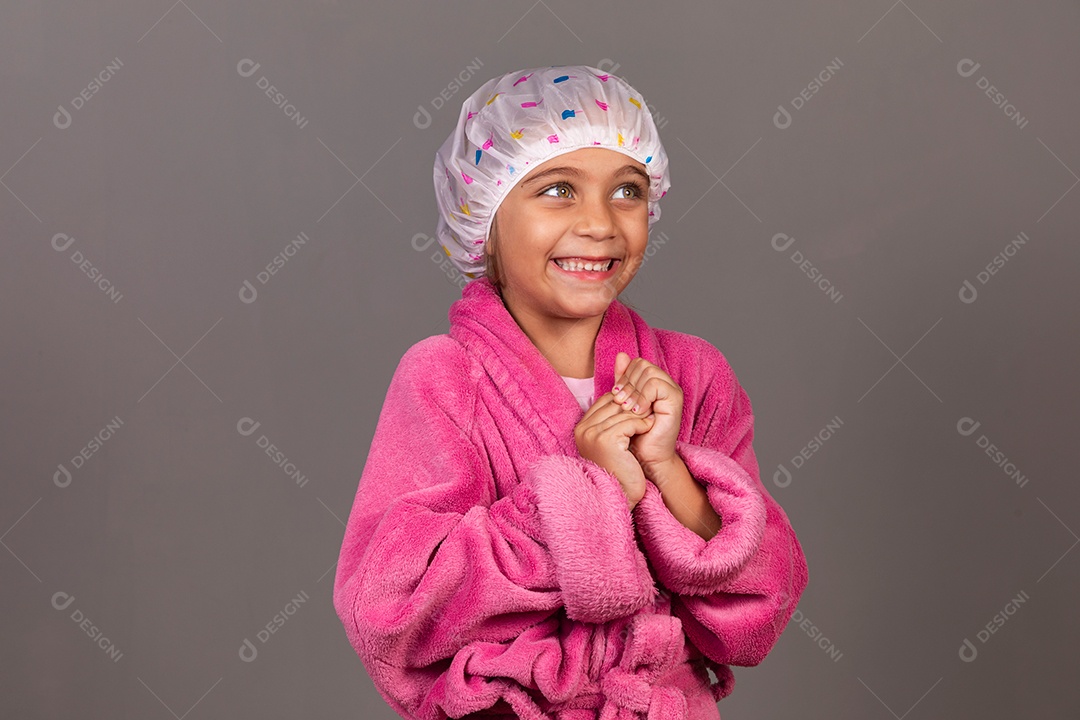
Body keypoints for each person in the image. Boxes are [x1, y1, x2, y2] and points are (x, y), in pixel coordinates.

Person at [332, 64, 809, 719]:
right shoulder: (444, 376)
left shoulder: (692, 375)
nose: (601, 224)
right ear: (484, 216)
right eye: (558, 189)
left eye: (628, 191)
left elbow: (761, 609)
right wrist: (595, 491)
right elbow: (393, 611)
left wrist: (666, 470)